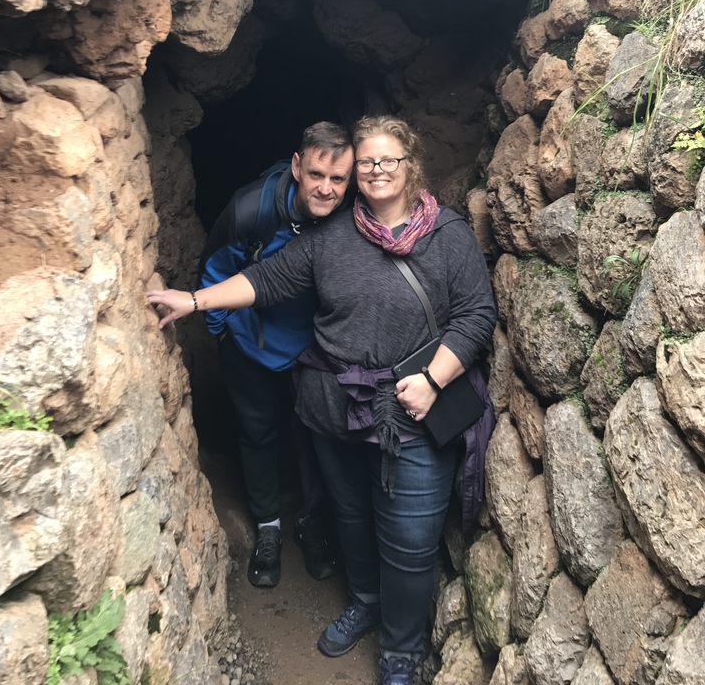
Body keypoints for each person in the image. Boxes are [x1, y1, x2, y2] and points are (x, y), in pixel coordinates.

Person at [149, 116, 497, 685]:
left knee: (410, 541)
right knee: (352, 516)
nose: (377, 170)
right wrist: (194, 300)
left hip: (411, 411)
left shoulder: (448, 235)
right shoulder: (330, 237)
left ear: (411, 166)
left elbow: (476, 314)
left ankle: (401, 649)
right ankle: (363, 600)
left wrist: (433, 380)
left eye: (389, 160)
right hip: (334, 407)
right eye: (367, 162)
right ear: (355, 171)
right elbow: (266, 281)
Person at [198, 121, 354, 588]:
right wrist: (222, 334)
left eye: (338, 179)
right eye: (316, 175)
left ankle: (310, 522)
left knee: (315, 436)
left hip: (317, 350)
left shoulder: (352, 216)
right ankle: (268, 528)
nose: (326, 189)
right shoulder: (252, 210)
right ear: (297, 167)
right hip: (251, 346)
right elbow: (213, 271)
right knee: (258, 434)